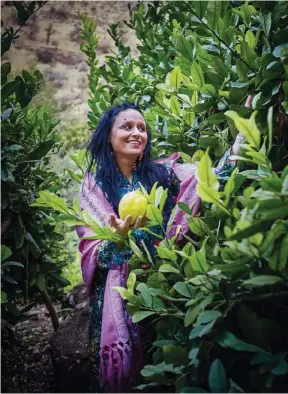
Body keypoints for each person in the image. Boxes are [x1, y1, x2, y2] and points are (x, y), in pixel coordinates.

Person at [76, 101, 245, 393]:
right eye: (127, 126)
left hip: (162, 281)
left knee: (160, 367)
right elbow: (93, 249)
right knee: (121, 374)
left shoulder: (165, 173)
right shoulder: (94, 186)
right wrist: (118, 239)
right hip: (118, 292)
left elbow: (211, 179)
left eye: (141, 127)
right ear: (109, 136)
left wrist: (243, 133)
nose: (136, 132)